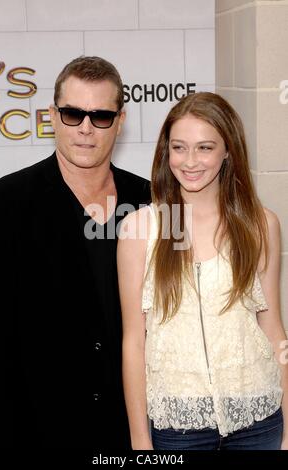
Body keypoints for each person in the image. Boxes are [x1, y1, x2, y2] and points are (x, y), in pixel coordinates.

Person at [0, 56, 150, 449]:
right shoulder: (3, 204)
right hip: (34, 431)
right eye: (73, 114)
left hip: (133, 431)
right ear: (52, 115)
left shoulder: (151, 202)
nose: (85, 129)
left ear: (121, 119)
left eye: (101, 116)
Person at [117, 92, 288, 450]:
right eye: (179, 147)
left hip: (259, 421)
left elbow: (273, 331)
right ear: (167, 152)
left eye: (205, 148)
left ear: (228, 151)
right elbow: (134, 342)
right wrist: (139, 440)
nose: (190, 161)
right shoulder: (140, 229)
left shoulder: (260, 224)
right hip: (178, 428)